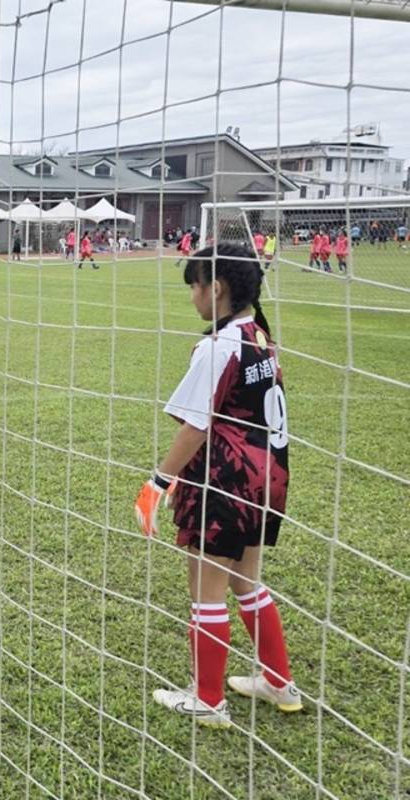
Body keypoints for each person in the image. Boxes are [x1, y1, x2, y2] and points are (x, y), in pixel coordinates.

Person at [136, 242, 296, 728]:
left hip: (224, 484)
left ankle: (207, 700)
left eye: (195, 286)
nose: (192, 298)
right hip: (268, 478)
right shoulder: (259, 333)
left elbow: (195, 426)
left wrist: (157, 484)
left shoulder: (217, 347)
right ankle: (278, 681)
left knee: (206, 587)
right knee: (248, 581)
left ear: (217, 288)